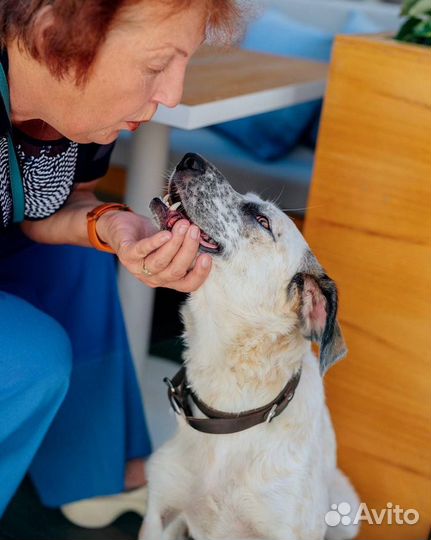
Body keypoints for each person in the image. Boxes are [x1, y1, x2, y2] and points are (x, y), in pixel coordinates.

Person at [0, 0, 245, 524]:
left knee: (81, 259)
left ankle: (98, 470)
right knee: (31, 357)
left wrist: (110, 227)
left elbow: (55, 205)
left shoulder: (79, 111)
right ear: (51, 38)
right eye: (157, 66)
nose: (172, 95)